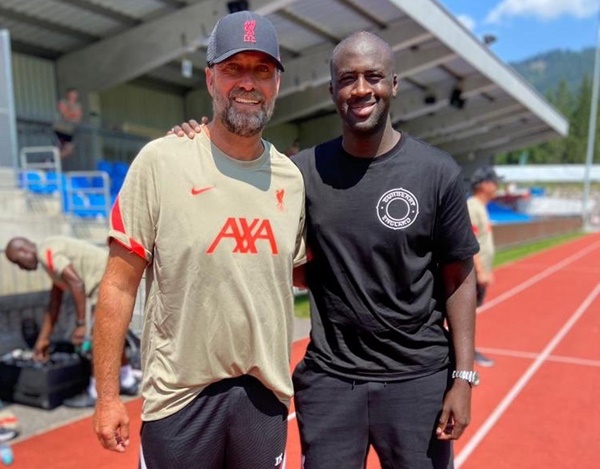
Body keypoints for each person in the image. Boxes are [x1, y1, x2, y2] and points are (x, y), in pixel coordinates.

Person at [175, 31, 480, 469]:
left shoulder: (437, 173)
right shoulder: (299, 174)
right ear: (332, 89)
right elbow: (236, 187)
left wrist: (463, 378)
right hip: (332, 381)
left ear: (393, 84)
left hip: (418, 382)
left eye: (373, 76)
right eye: (348, 78)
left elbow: (459, 276)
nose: (361, 89)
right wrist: (193, 141)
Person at [91, 11, 305, 469]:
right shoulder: (160, 161)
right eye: (233, 68)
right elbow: (118, 284)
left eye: (261, 70)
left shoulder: (292, 178)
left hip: (263, 400)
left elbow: (310, 273)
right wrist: (108, 396)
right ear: (210, 79)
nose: (247, 83)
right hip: (178, 402)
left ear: (277, 84)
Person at [4, 236, 139, 408]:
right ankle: (127, 381)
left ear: (23, 251)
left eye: (17, 261)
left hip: (108, 283)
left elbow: (76, 282)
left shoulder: (47, 253)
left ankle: (95, 392)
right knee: (110, 337)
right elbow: (54, 302)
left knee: (97, 340)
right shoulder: (49, 255)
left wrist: (81, 324)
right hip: (114, 280)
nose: (20, 267)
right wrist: (43, 339)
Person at [468, 166, 502, 368]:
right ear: (484, 185)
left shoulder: (480, 207)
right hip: (471, 275)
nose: (496, 186)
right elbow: (469, 240)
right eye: (494, 182)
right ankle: (464, 352)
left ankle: (467, 350)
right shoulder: (473, 206)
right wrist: (480, 271)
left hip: (478, 274)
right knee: (466, 315)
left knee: (472, 314)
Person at [52, 87, 82, 159]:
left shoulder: (78, 105)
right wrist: (72, 114)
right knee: (58, 148)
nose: (73, 96)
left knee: (69, 150)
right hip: (60, 129)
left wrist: (71, 115)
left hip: (69, 130)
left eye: (75, 95)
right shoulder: (62, 102)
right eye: (72, 94)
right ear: (68, 95)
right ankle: (51, 161)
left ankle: (52, 160)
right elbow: (65, 115)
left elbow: (78, 118)